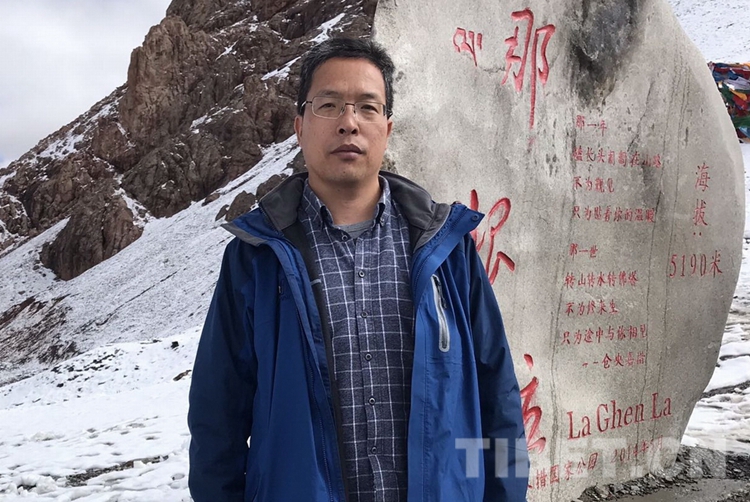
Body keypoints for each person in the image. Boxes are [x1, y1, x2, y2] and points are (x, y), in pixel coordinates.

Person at [188, 37, 528, 502]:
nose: (349, 122)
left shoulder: (447, 250)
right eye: (329, 105)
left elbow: (496, 396)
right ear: (300, 127)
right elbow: (219, 414)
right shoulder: (256, 258)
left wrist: (501, 495)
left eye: (367, 107)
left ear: (387, 128)